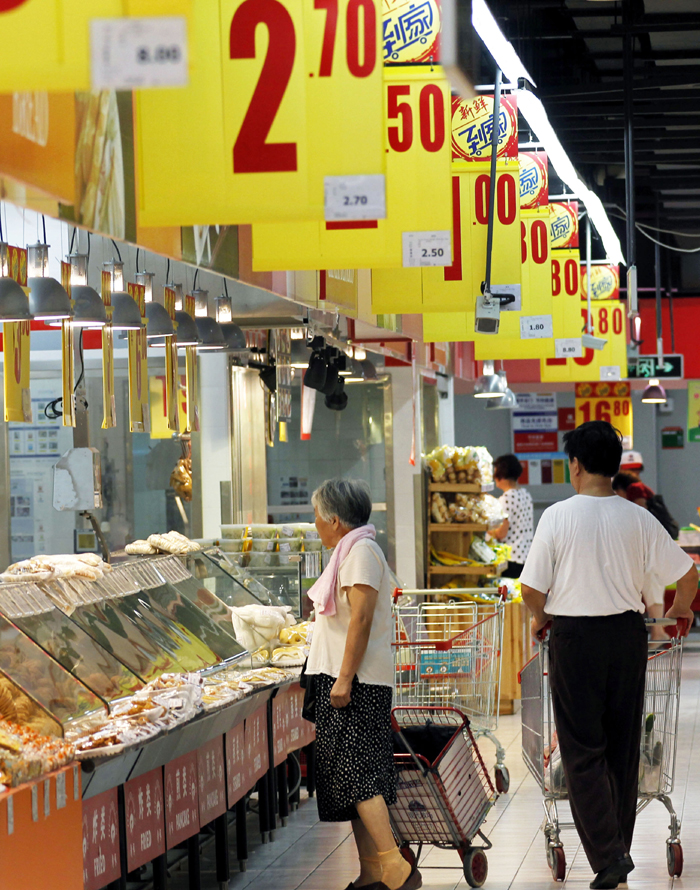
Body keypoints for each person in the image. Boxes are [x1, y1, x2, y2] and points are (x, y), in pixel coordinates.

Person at [520, 421, 697, 890]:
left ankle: (610, 855)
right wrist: (679, 615)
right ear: (615, 468)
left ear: (574, 466)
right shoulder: (638, 517)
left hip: (575, 639)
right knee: (621, 750)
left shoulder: (557, 516)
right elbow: (689, 576)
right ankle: (616, 847)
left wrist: (540, 617)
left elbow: (531, 589)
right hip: (625, 637)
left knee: (581, 751)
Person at [305, 479, 420, 890]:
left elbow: (362, 619)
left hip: (356, 684)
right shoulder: (349, 552)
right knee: (348, 776)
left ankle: (393, 863)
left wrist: (344, 679)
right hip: (344, 680)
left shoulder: (361, 553)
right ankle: (372, 870)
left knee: (359, 775)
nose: (315, 525)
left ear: (334, 520)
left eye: (318, 517)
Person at [489, 453, 533, 578]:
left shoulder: (506, 499)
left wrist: (489, 531)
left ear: (501, 475)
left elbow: (502, 533)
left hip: (511, 558)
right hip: (526, 557)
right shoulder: (525, 494)